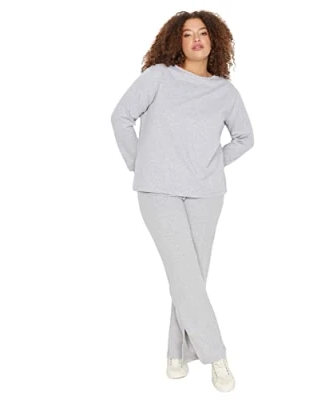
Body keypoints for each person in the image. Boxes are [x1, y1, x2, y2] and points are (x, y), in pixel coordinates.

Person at [110, 10, 254, 393]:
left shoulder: (225, 92)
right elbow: (121, 117)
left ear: (214, 40)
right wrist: (140, 162)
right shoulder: (158, 77)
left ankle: (176, 353)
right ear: (176, 41)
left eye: (202, 33)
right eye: (187, 34)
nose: (196, 39)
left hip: (207, 193)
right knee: (185, 273)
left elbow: (245, 138)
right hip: (159, 190)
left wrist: (213, 163)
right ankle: (217, 357)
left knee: (190, 276)